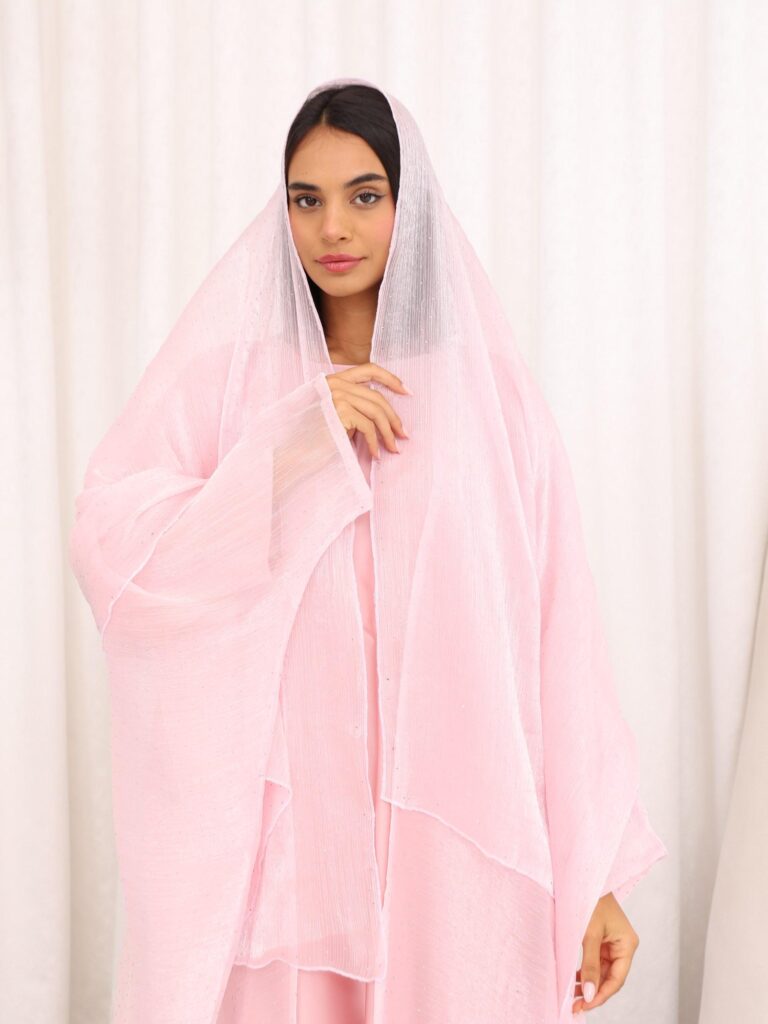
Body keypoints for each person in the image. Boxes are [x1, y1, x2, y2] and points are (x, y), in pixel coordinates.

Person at [69, 78, 668, 1024]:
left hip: (447, 845)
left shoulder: (489, 397)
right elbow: (118, 546)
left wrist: (593, 873)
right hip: (288, 853)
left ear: (408, 203)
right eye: (306, 199)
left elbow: (556, 638)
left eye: (365, 195)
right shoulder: (232, 383)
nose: (333, 228)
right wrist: (291, 444)